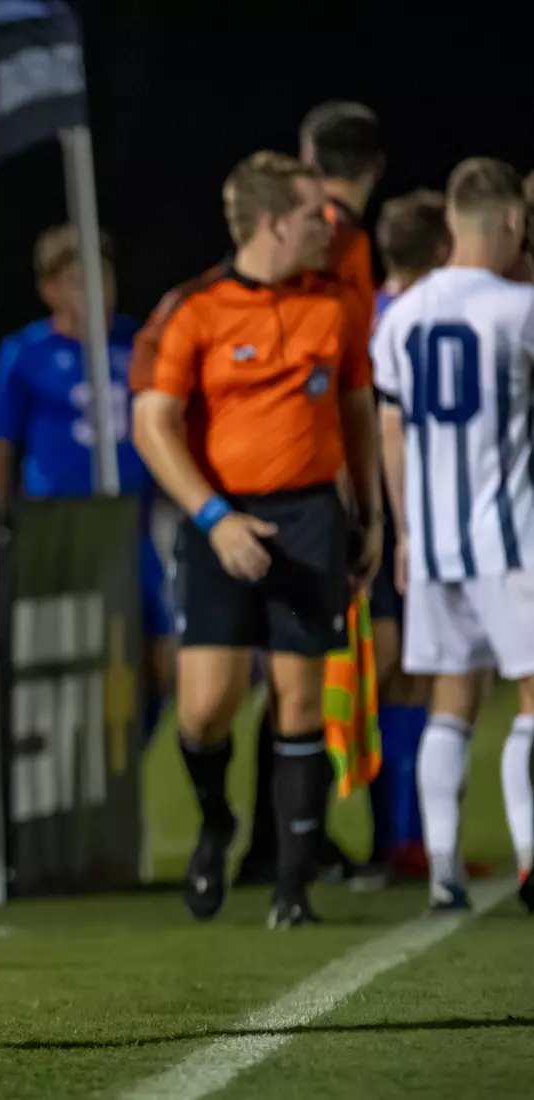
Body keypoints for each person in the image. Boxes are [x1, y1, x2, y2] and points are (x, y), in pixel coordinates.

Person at [131, 151, 382, 928]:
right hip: (220, 520)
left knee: (301, 701)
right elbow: (152, 424)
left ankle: (292, 889)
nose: (330, 226)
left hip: (310, 518)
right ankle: (217, 822)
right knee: (206, 710)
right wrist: (215, 518)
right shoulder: (194, 308)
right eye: (315, 214)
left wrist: (368, 515)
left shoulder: (336, 302)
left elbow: (358, 410)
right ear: (275, 222)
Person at [371, 157, 534, 915]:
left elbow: (392, 432)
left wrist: (404, 532)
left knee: (450, 702)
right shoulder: (515, 309)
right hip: (509, 535)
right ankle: (531, 858)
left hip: (434, 543)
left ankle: (442, 872)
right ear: (508, 223)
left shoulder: (398, 315)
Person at [237, 101, 386, 888]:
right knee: (315, 666)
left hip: (300, 470)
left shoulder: (322, 238)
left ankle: (289, 839)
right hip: (315, 475)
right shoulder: (342, 242)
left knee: (311, 668)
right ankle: (283, 840)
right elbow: (345, 373)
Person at [0, 224, 173, 732]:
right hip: (63, 533)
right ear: (49, 289)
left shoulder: (138, 343)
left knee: (160, 660)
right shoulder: (26, 353)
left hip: (131, 528)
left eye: (102, 277)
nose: (94, 291)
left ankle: (134, 759)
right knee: (79, 660)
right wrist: (2, 522)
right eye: (77, 280)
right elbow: (1, 445)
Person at [365, 190, 452, 880]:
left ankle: (401, 837)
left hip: (373, 506)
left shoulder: (365, 311)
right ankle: (400, 838)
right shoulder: (426, 318)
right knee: (405, 675)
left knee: (393, 675)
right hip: (402, 506)